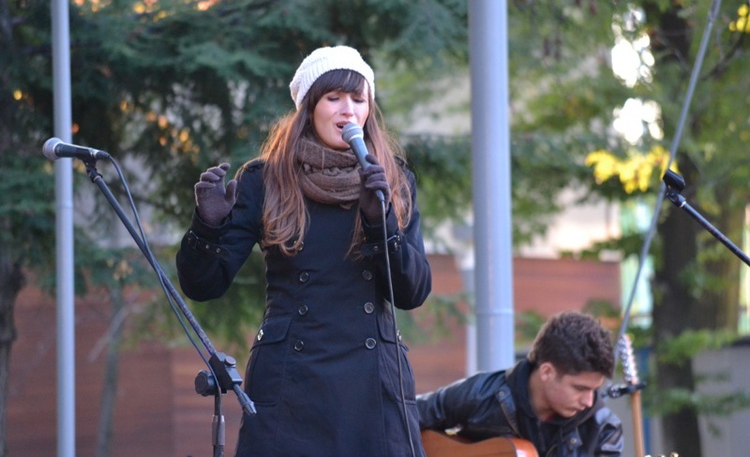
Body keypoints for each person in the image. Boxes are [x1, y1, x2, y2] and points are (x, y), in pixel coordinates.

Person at [175, 45, 431, 456]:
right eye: (334, 98)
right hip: (292, 384)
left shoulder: (392, 179)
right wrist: (208, 226)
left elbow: (413, 292)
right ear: (309, 107)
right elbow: (204, 284)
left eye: (358, 99)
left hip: (372, 388)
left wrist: (379, 222)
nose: (348, 110)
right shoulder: (266, 179)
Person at [417, 311, 624, 456]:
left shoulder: (604, 430)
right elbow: (403, 415)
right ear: (547, 372)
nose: (589, 401)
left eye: (595, 390)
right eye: (580, 388)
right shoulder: (480, 395)